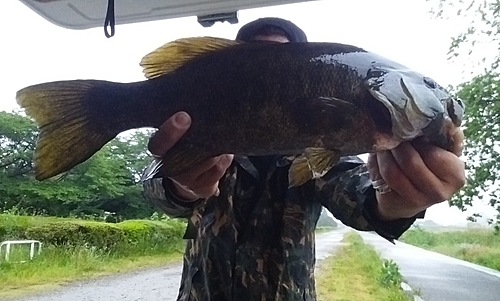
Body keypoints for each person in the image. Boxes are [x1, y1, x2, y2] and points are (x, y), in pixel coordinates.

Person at [142, 17, 465, 301]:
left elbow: (358, 196)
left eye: (278, 59)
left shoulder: (323, 147)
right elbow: (157, 190)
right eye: (256, 57)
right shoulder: (199, 134)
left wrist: (398, 203)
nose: (267, 70)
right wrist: (180, 185)